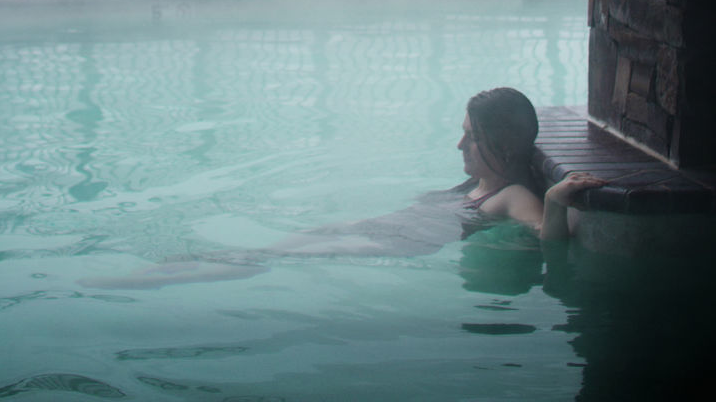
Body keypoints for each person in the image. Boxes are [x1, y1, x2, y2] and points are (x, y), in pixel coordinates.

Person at [80, 86, 600, 288]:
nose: (458, 148)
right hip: (379, 230)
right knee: (263, 251)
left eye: (470, 138)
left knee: (267, 259)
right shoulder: (479, 181)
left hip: (393, 245)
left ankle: (136, 282)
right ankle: (157, 271)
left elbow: (546, 236)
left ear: (500, 145)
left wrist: (555, 200)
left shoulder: (509, 194)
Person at [456, 86, 603, 242]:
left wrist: (553, 201)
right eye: (464, 133)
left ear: (506, 146)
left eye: (474, 137)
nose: (460, 145)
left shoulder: (514, 196)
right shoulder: (478, 185)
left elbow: (544, 235)